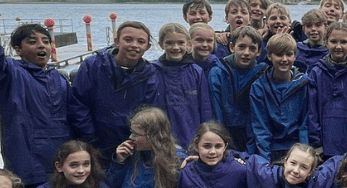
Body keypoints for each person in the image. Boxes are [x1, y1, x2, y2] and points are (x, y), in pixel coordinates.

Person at [0, 0, 92, 188]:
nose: (41, 46)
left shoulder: (59, 78)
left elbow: (76, 116)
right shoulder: (9, 75)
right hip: (27, 164)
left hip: (62, 162)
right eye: (32, 42)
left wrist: (89, 146)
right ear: (18, 49)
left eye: (45, 41)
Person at [72, 20, 158, 164]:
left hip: (130, 145)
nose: (134, 45)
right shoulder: (93, 65)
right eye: (128, 39)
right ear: (117, 41)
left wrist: (135, 141)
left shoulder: (150, 75)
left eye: (141, 41)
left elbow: (148, 112)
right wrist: (89, 137)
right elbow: (78, 103)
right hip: (95, 142)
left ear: (147, 46)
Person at [307, 22, 347, 158]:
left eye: (344, 42)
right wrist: (316, 144)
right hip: (323, 146)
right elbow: (311, 111)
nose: (338, 46)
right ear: (326, 42)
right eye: (333, 41)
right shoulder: (316, 72)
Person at [249, 34, 310, 161]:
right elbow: (261, 127)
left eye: (288, 54)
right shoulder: (259, 87)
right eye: (278, 54)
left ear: (295, 55)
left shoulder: (304, 84)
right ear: (269, 56)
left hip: (296, 148)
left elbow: (305, 124)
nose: (284, 59)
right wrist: (265, 160)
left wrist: (303, 156)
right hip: (271, 148)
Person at [153, 22, 213, 151]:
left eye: (180, 43)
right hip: (162, 135)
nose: (175, 47)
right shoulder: (153, 71)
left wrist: (205, 136)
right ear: (160, 44)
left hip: (191, 134)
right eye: (169, 43)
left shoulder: (196, 71)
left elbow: (205, 108)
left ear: (188, 44)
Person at [208, 26, 268, 151]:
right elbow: (216, 108)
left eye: (252, 48)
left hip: (252, 133)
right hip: (225, 132)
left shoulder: (262, 73)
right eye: (241, 47)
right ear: (232, 47)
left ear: (258, 51)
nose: (246, 53)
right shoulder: (218, 72)